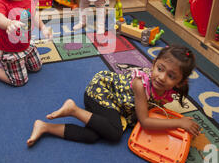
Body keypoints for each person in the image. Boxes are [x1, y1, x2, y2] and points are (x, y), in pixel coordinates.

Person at [27, 45, 200, 146]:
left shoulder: (168, 89)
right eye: (160, 69)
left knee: (93, 136)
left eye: (171, 76)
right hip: (100, 93)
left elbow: (154, 106)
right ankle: (73, 109)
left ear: (180, 82)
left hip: (117, 104)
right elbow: (145, 122)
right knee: (115, 134)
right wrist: (179, 122)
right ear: (154, 64)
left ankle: (45, 127)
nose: (161, 77)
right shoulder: (141, 84)